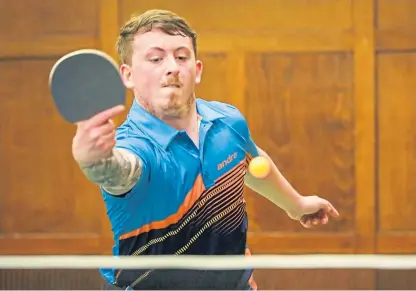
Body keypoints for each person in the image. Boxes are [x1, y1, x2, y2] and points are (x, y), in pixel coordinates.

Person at [71, 9, 339, 290]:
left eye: (181, 56)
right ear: (128, 75)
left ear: (196, 70)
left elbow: (249, 162)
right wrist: (94, 160)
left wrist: (296, 205)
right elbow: (118, 170)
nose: (172, 66)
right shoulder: (134, 146)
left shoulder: (227, 122)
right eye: (155, 58)